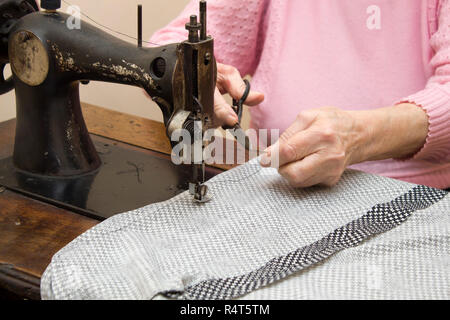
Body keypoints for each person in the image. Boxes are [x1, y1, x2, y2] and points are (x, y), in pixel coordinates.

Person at [150, 0, 450, 190]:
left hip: (408, 196)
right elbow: (167, 50)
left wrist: (359, 136)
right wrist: (185, 76)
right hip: (271, 185)